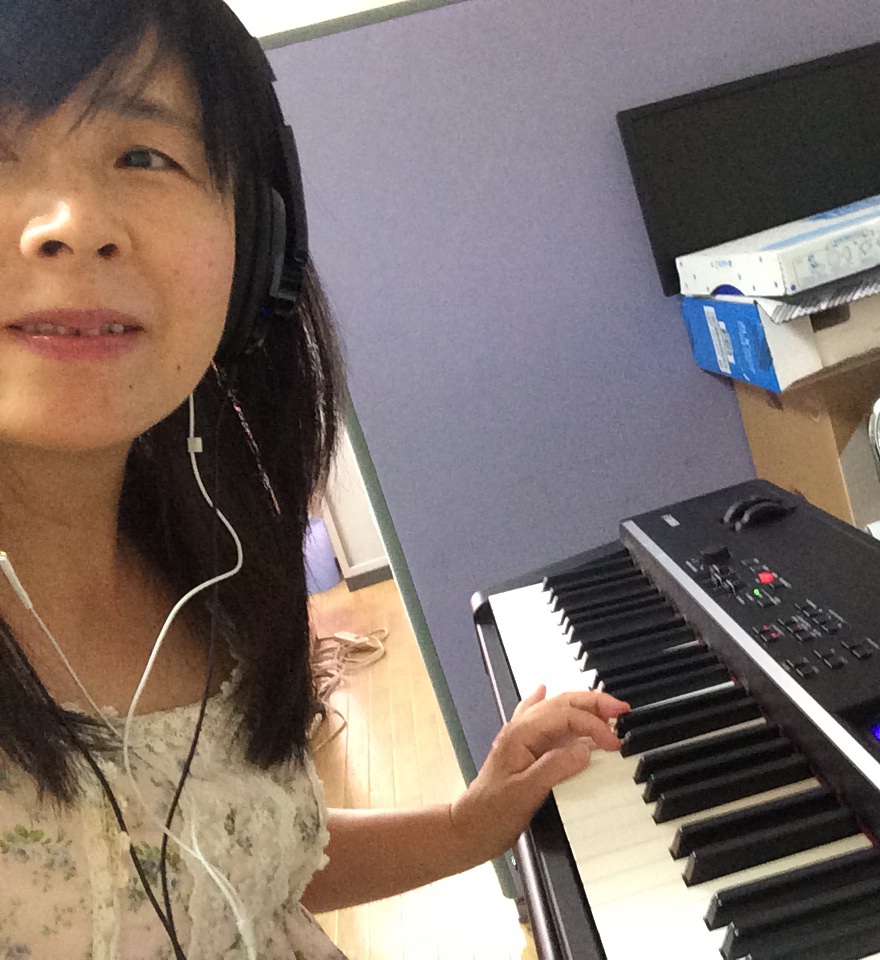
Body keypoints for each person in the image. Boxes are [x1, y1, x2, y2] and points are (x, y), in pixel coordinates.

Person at [0, 1, 629, 957]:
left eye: (144, 155)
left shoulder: (204, 560)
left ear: (259, 245)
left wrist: (466, 825)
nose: (73, 226)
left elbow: (230, 861)